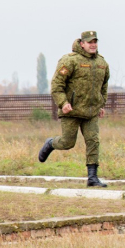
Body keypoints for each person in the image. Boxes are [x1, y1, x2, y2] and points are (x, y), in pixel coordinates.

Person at [38, 31, 109, 188]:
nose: (93, 45)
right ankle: (50, 143)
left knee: (93, 141)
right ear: (82, 44)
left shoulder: (102, 62)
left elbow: (104, 86)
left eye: (95, 42)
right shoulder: (70, 60)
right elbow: (57, 84)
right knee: (67, 142)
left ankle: (92, 178)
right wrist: (63, 103)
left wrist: (101, 104)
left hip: (91, 112)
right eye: (90, 42)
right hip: (71, 111)